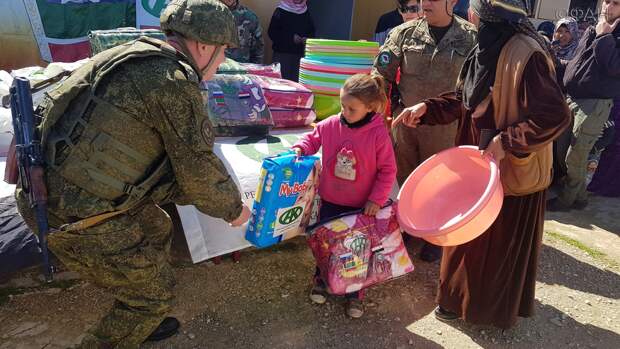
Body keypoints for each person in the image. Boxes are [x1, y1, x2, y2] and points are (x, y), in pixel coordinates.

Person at [15, 0, 251, 347]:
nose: (223, 61)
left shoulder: (136, 52)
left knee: (157, 226)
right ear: (203, 45)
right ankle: (141, 308)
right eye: (224, 51)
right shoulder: (171, 80)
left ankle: (137, 309)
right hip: (69, 214)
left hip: (51, 192)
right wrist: (234, 209)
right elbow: (198, 171)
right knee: (157, 294)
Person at [393, 0, 570, 328]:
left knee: (495, 245)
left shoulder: (526, 54)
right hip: (473, 164)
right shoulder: (485, 48)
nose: (469, 13)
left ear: (483, 15)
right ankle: (453, 302)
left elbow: (555, 115)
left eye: (473, 8)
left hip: (508, 170)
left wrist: (508, 141)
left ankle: (486, 313)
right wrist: (427, 109)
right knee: (463, 234)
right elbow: (467, 101)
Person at [372, 0, 477, 262]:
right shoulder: (404, 33)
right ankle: (410, 228)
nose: (424, 3)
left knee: (443, 184)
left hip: (447, 129)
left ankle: (438, 236)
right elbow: (380, 74)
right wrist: (387, 111)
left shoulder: (471, 37)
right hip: (407, 127)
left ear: (452, 1)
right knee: (408, 180)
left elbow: (477, 84)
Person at [292, 74, 397, 319]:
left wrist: (376, 199)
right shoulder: (330, 124)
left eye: (352, 109)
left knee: (356, 251)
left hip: (361, 208)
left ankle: (354, 293)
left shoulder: (378, 134)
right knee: (325, 244)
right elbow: (312, 138)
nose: (345, 112)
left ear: (370, 108)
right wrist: (299, 148)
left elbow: (388, 170)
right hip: (330, 201)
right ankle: (322, 280)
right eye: (343, 106)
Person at [548, 0, 620, 211]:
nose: (608, 6)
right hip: (572, 99)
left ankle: (567, 200)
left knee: (576, 155)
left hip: (594, 105)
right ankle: (579, 196)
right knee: (562, 151)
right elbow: (578, 64)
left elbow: (615, 67)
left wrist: (604, 37)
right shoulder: (593, 28)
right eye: (606, 1)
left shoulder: (609, 34)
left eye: (615, 3)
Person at [268, 0, 315, 81]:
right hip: (282, 57)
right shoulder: (280, 10)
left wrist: (307, 39)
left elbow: (311, 32)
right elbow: (272, 32)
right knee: (280, 84)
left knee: (296, 86)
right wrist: (290, 38)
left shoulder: (305, 11)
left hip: (299, 58)